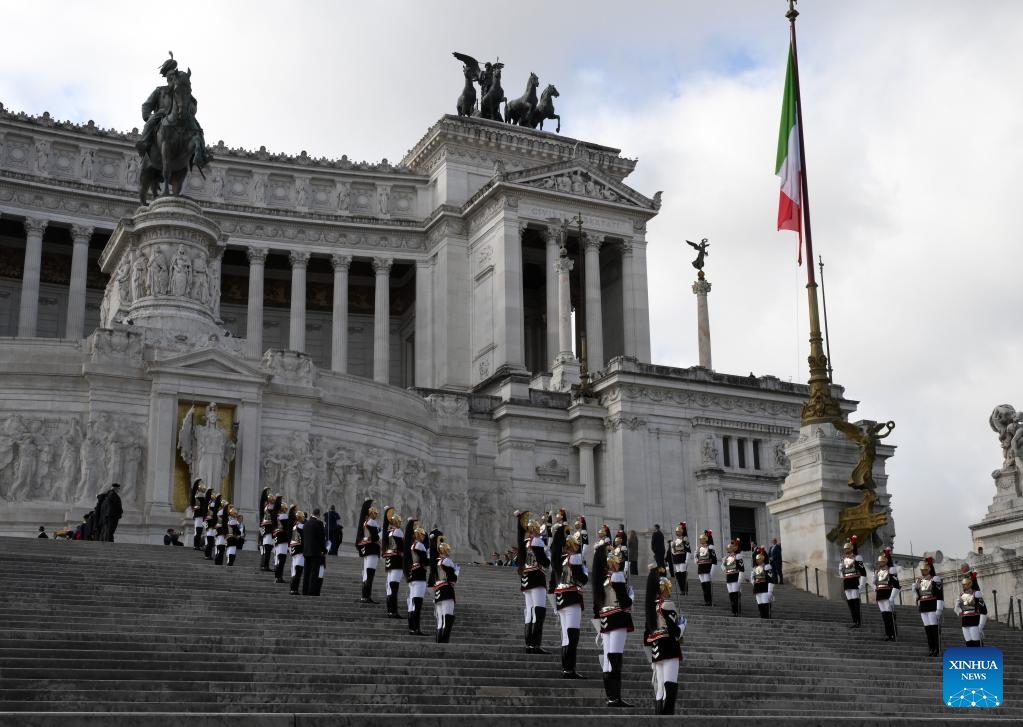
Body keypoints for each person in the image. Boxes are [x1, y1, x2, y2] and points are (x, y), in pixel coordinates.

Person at [594, 542, 634, 708]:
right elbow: (625, 602)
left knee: (608, 659)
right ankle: (615, 697)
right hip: (617, 618)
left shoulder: (603, 580)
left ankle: (611, 696)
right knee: (615, 658)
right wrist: (631, 596)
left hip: (606, 619)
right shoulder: (617, 576)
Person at [644, 571, 684, 715]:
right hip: (669, 647)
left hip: (656, 649)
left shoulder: (652, 608)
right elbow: (674, 631)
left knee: (660, 688)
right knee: (669, 685)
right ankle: (667, 718)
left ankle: (658, 717)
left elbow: (646, 635)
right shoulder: (668, 604)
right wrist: (682, 626)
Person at [516, 511, 551, 654]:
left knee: (529, 612)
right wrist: (548, 557)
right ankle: (535, 644)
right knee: (539, 611)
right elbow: (544, 562)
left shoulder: (524, 542)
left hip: (526, 578)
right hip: (537, 577)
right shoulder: (537, 542)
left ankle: (529, 644)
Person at [554, 529, 587, 679]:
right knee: (572, 635)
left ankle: (566, 667)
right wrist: (585, 573)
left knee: (566, 637)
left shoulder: (562, 559)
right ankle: (570, 668)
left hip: (561, 596)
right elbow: (581, 579)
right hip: (572, 596)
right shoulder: (575, 558)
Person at [912, 556, 944, 657]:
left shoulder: (935, 579)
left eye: (925, 570)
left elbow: (939, 594)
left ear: (929, 569)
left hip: (932, 605)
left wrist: (939, 608)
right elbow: (919, 595)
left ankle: (936, 649)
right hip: (923, 606)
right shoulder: (920, 581)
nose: (923, 571)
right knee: (927, 629)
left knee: (934, 628)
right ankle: (931, 648)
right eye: (922, 570)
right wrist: (915, 589)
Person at [403, 518, 428, 636]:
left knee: (413, 604)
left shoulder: (412, 545)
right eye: (422, 535)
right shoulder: (420, 546)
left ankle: (412, 627)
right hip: (419, 576)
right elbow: (425, 560)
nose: (423, 537)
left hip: (413, 574)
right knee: (417, 603)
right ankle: (416, 628)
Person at [431, 536, 459, 642]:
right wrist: (456, 572)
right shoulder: (447, 561)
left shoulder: (437, 562)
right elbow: (452, 578)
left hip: (438, 590)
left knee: (440, 620)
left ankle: (439, 641)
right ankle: (444, 641)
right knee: (447, 618)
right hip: (446, 590)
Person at [356, 499, 381, 604]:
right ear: (371, 513)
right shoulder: (372, 522)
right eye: (375, 513)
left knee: (366, 574)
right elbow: (375, 538)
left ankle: (364, 595)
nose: (376, 515)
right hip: (372, 549)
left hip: (367, 549)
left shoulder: (366, 521)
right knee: (370, 574)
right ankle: (367, 596)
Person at [839, 536, 867, 628]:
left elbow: (863, 572)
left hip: (854, 581)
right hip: (847, 582)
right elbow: (842, 573)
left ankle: (858, 621)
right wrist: (840, 570)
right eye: (845, 549)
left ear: (851, 548)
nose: (846, 550)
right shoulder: (843, 559)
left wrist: (862, 585)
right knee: (850, 603)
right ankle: (854, 621)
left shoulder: (857, 558)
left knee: (855, 602)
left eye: (847, 548)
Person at [381, 507, 405, 617]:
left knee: (390, 586)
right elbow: (401, 547)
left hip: (389, 560)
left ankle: (390, 609)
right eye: (399, 521)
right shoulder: (398, 532)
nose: (400, 523)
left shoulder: (390, 532)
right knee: (394, 586)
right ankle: (393, 611)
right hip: (396, 561)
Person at [874, 548, 900, 641]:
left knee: (890, 615)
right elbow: (876, 583)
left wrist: (892, 596)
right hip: (880, 594)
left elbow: (896, 585)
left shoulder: (891, 570)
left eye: (881, 562)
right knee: (884, 616)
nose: (879, 563)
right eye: (879, 562)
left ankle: (893, 634)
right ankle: (888, 634)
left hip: (887, 593)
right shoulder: (877, 571)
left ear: (885, 561)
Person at [955, 575, 987, 647]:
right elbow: (956, 608)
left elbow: (983, 611)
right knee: (968, 643)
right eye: (962, 585)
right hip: (965, 622)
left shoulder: (976, 594)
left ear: (969, 584)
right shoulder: (961, 595)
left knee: (976, 643)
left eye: (965, 585)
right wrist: (960, 611)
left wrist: (981, 625)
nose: (963, 586)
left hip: (974, 621)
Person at [302, 508, 327, 596]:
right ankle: (311, 590)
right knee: (314, 572)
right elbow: (321, 539)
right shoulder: (319, 523)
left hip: (306, 551)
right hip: (316, 552)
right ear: (318, 514)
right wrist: (324, 549)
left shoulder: (306, 524)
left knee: (306, 572)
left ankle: (304, 590)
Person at [750, 546, 777, 619]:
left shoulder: (767, 567)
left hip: (765, 589)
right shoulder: (755, 568)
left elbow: (770, 579)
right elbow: (753, 579)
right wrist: (753, 580)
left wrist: (770, 591)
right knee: (760, 607)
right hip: (757, 589)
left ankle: (767, 619)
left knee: (766, 607)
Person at [722, 538, 744, 616]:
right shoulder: (728, 557)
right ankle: (734, 611)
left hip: (735, 578)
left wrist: (739, 580)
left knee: (735, 596)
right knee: (731, 596)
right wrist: (723, 564)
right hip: (729, 578)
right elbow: (723, 568)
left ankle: (737, 611)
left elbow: (741, 569)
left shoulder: (738, 557)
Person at [668, 522, 691, 596]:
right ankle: (681, 589)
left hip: (682, 558)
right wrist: (671, 546)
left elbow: (688, 550)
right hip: (676, 558)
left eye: (678, 531)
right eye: (676, 531)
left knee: (682, 574)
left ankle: (685, 589)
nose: (677, 532)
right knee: (678, 574)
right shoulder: (675, 541)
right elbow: (673, 552)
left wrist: (687, 559)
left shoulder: (685, 539)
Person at [695, 530, 717, 606]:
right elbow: (697, 559)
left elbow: (714, 559)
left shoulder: (710, 547)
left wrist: (712, 569)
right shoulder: (699, 548)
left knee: (707, 585)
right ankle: (706, 600)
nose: (701, 540)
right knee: (703, 586)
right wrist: (696, 556)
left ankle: (709, 600)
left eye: (702, 539)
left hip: (707, 567)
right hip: (700, 567)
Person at [548, 508, 568, 591]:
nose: (557, 516)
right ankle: (553, 586)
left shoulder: (564, 526)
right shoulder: (556, 526)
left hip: (560, 550)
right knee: (554, 567)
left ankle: (558, 584)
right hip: (554, 549)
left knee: (558, 568)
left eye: (559, 514)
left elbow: (566, 539)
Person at [288, 510, 306, 595]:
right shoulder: (302, 526)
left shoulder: (294, 526)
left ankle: (292, 588)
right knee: (298, 572)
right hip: (300, 552)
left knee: (294, 572)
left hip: (294, 551)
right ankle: (294, 589)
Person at [189, 479, 208, 550]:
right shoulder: (199, 497)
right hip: (200, 517)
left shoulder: (199, 497)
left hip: (202, 517)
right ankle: (197, 545)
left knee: (203, 530)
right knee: (199, 531)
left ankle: (200, 545)